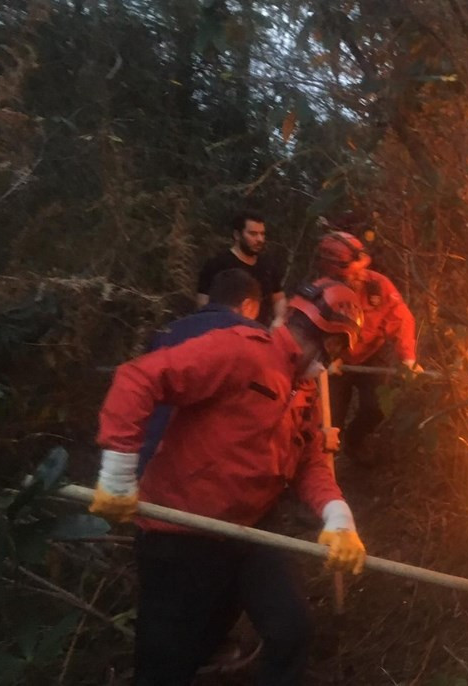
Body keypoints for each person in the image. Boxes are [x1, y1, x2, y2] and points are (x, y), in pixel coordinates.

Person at [88, 279, 367, 686]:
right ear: (326, 340)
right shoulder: (239, 351)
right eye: (338, 350)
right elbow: (140, 378)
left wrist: (338, 515)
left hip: (251, 530)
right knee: (169, 660)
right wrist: (116, 473)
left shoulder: (303, 391)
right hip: (180, 532)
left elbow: (310, 464)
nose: (335, 363)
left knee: (291, 628)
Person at [139, 267, 263, 474]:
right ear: (248, 306)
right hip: (203, 473)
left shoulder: (168, 331)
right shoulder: (254, 339)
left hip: (148, 459)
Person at [313, 231, 418, 465]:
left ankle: (355, 440)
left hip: (372, 355)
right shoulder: (320, 293)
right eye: (354, 272)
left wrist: (408, 358)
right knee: (330, 420)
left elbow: (401, 318)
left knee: (377, 407)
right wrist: (325, 360)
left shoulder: (378, 285)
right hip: (334, 365)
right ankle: (323, 469)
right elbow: (309, 335)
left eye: (362, 267)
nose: (362, 275)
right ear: (336, 274)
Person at [197, 210, 287, 327]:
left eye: (262, 234)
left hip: (259, 335)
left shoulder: (268, 266)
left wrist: (279, 319)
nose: (260, 239)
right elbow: (202, 303)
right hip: (225, 333)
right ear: (237, 235)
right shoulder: (217, 264)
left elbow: (279, 298)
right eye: (253, 234)